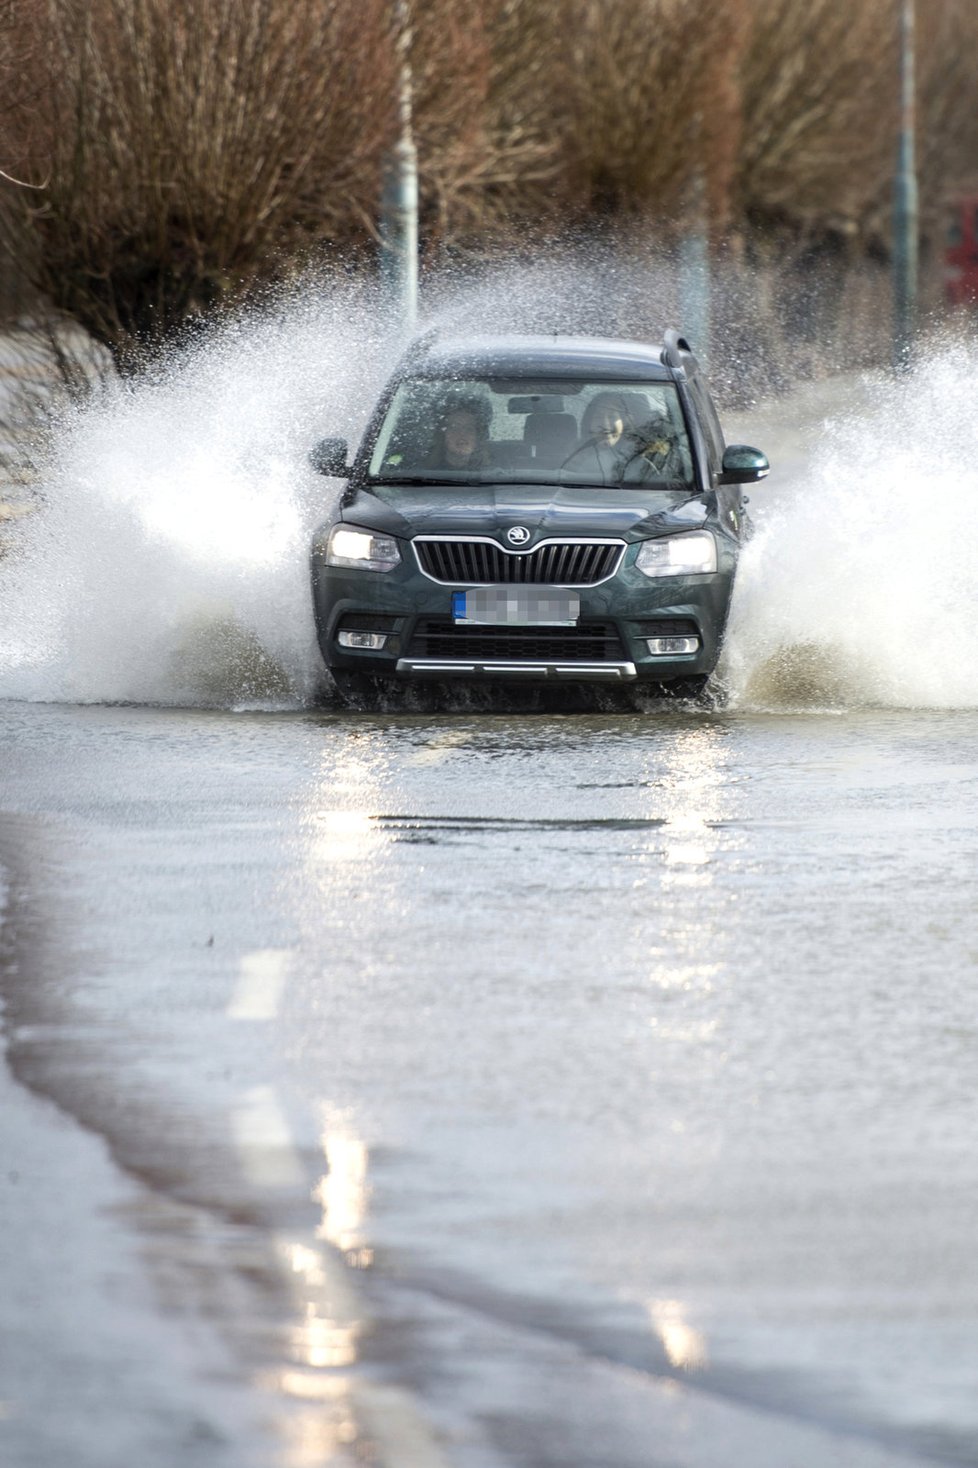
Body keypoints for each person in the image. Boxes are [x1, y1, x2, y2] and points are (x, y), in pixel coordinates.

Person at [426, 397, 492, 470]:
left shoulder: (497, 472)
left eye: (469, 428)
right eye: (454, 427)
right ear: (442, 434)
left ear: (478, 436)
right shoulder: (420, 472)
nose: (462, 433)